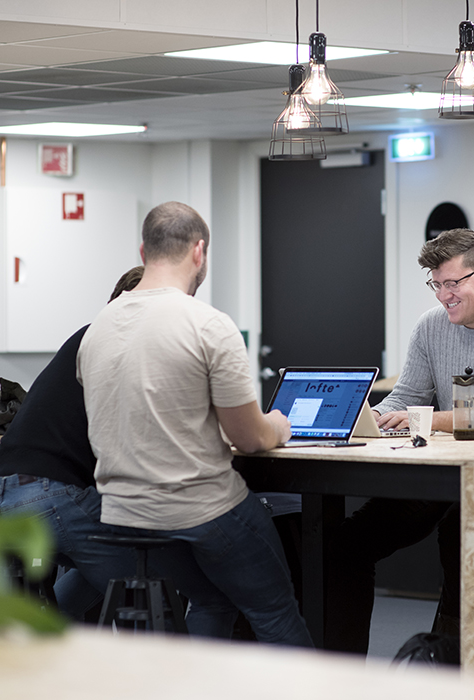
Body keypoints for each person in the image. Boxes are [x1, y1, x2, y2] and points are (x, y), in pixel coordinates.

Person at [77, 201, 312, 647]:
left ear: (143, 251)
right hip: (200, 509)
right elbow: (249, 437)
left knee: (214, 597)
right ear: (199, 252)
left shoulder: (98, 328)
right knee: (275, 609)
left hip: (124, 514)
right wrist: (278, 425)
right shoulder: (207, 324)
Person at [328, 227, 474, 655]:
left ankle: (461, 665)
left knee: (461, 546)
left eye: (452, 283)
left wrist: (428, 420)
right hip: (440, 475)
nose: (443, 295)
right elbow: (407, 396)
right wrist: (372, 417)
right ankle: (339, 679)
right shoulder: (430, 327)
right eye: (436, 284)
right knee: (347, 547)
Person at [0, 266, 144, 619]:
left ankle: (53, 633)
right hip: (51, 498)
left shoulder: (83, 338)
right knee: (151, 579)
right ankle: (156, 669)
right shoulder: (122, 348)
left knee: (100, 562)